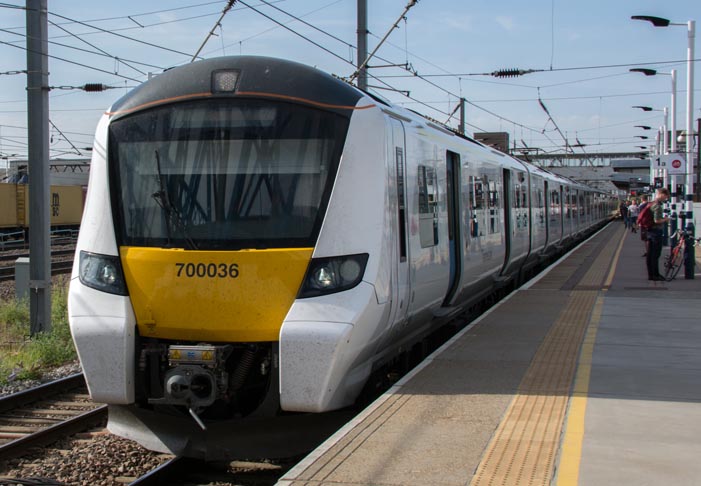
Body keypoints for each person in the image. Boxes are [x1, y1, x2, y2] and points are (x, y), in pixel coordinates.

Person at [646, 188, 670, 281]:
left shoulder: (651, 203)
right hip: (656, 232)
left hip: (649, 231)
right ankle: (655, 275)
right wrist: (665, 219)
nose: (665, 199)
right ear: (661, 194)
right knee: (655, 254)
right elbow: (657, 220)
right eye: (666, 196)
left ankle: (651, 275)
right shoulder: (657, 206)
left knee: (650, 254)